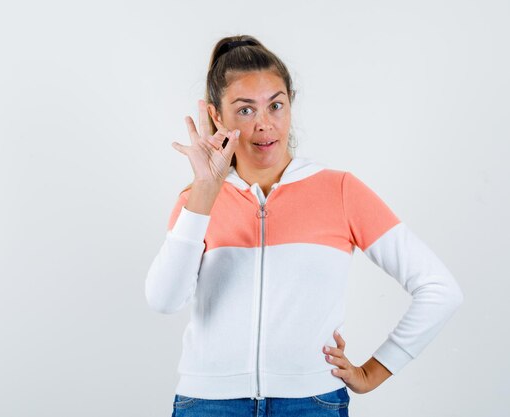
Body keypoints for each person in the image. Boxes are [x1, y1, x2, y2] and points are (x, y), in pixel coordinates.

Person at [145, 35, 464, 417]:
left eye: (275, 106)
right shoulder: (196, 200)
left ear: (290, 104)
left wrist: (374, 372)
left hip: (312, 402)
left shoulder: (340, 190)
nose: (264, 125)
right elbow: (164, 300)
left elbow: (439, 289)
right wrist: (204, 192)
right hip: (208, 404)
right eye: (245, 111)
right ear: (217, 116)